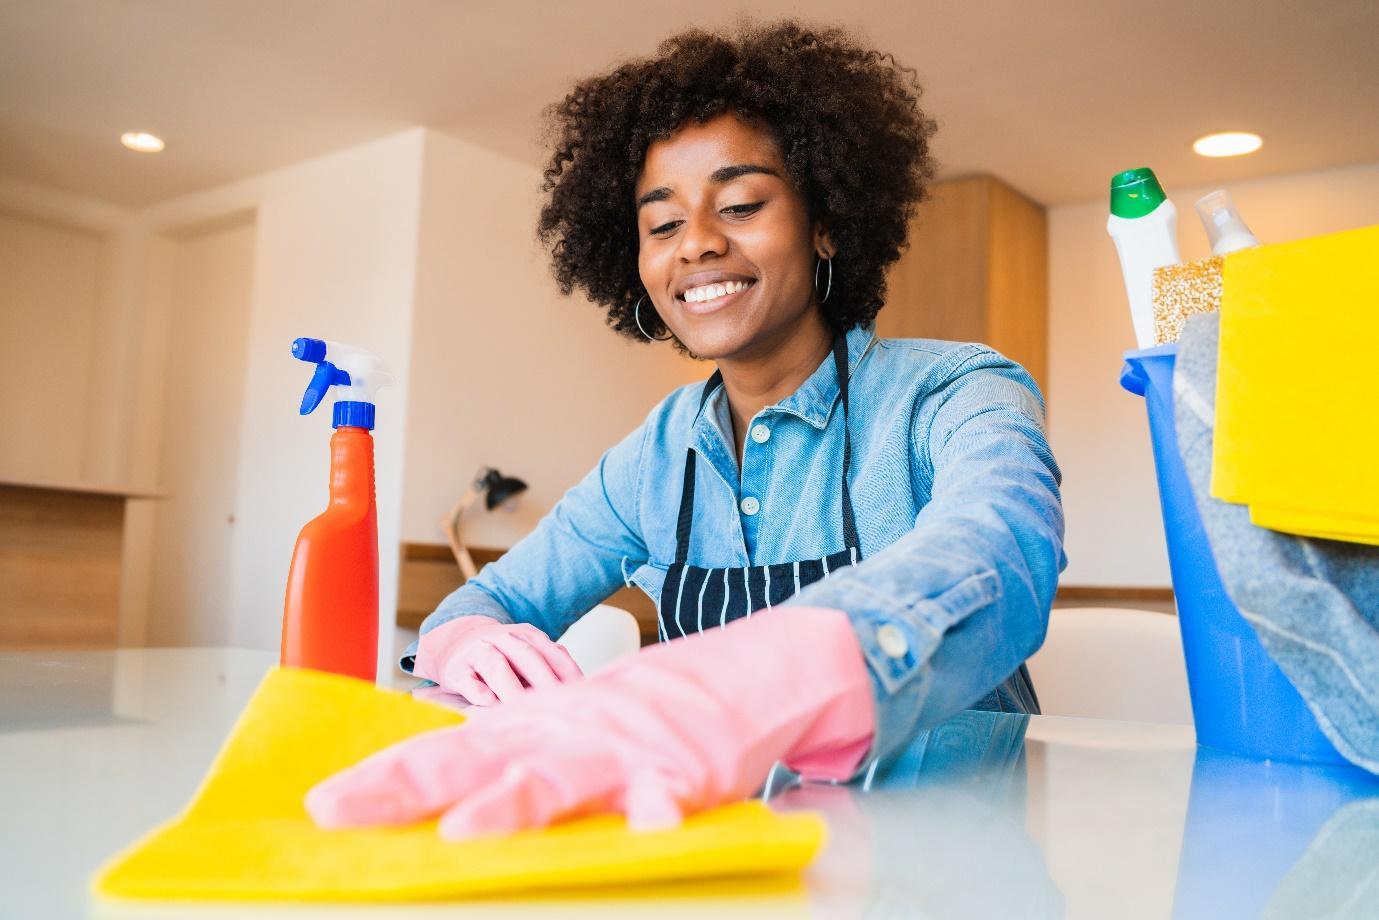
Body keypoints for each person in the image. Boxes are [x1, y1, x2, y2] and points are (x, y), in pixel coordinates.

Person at [306, 20, 1066, 840]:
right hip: (725, 855)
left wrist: (752, 682)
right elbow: (488, 597)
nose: (698, 243)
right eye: (662, 225)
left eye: (740, 204)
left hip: (952, 857)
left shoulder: (950, 391)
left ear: (825, 224)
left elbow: (1004, 547)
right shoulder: (652, 458)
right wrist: (464, 640)